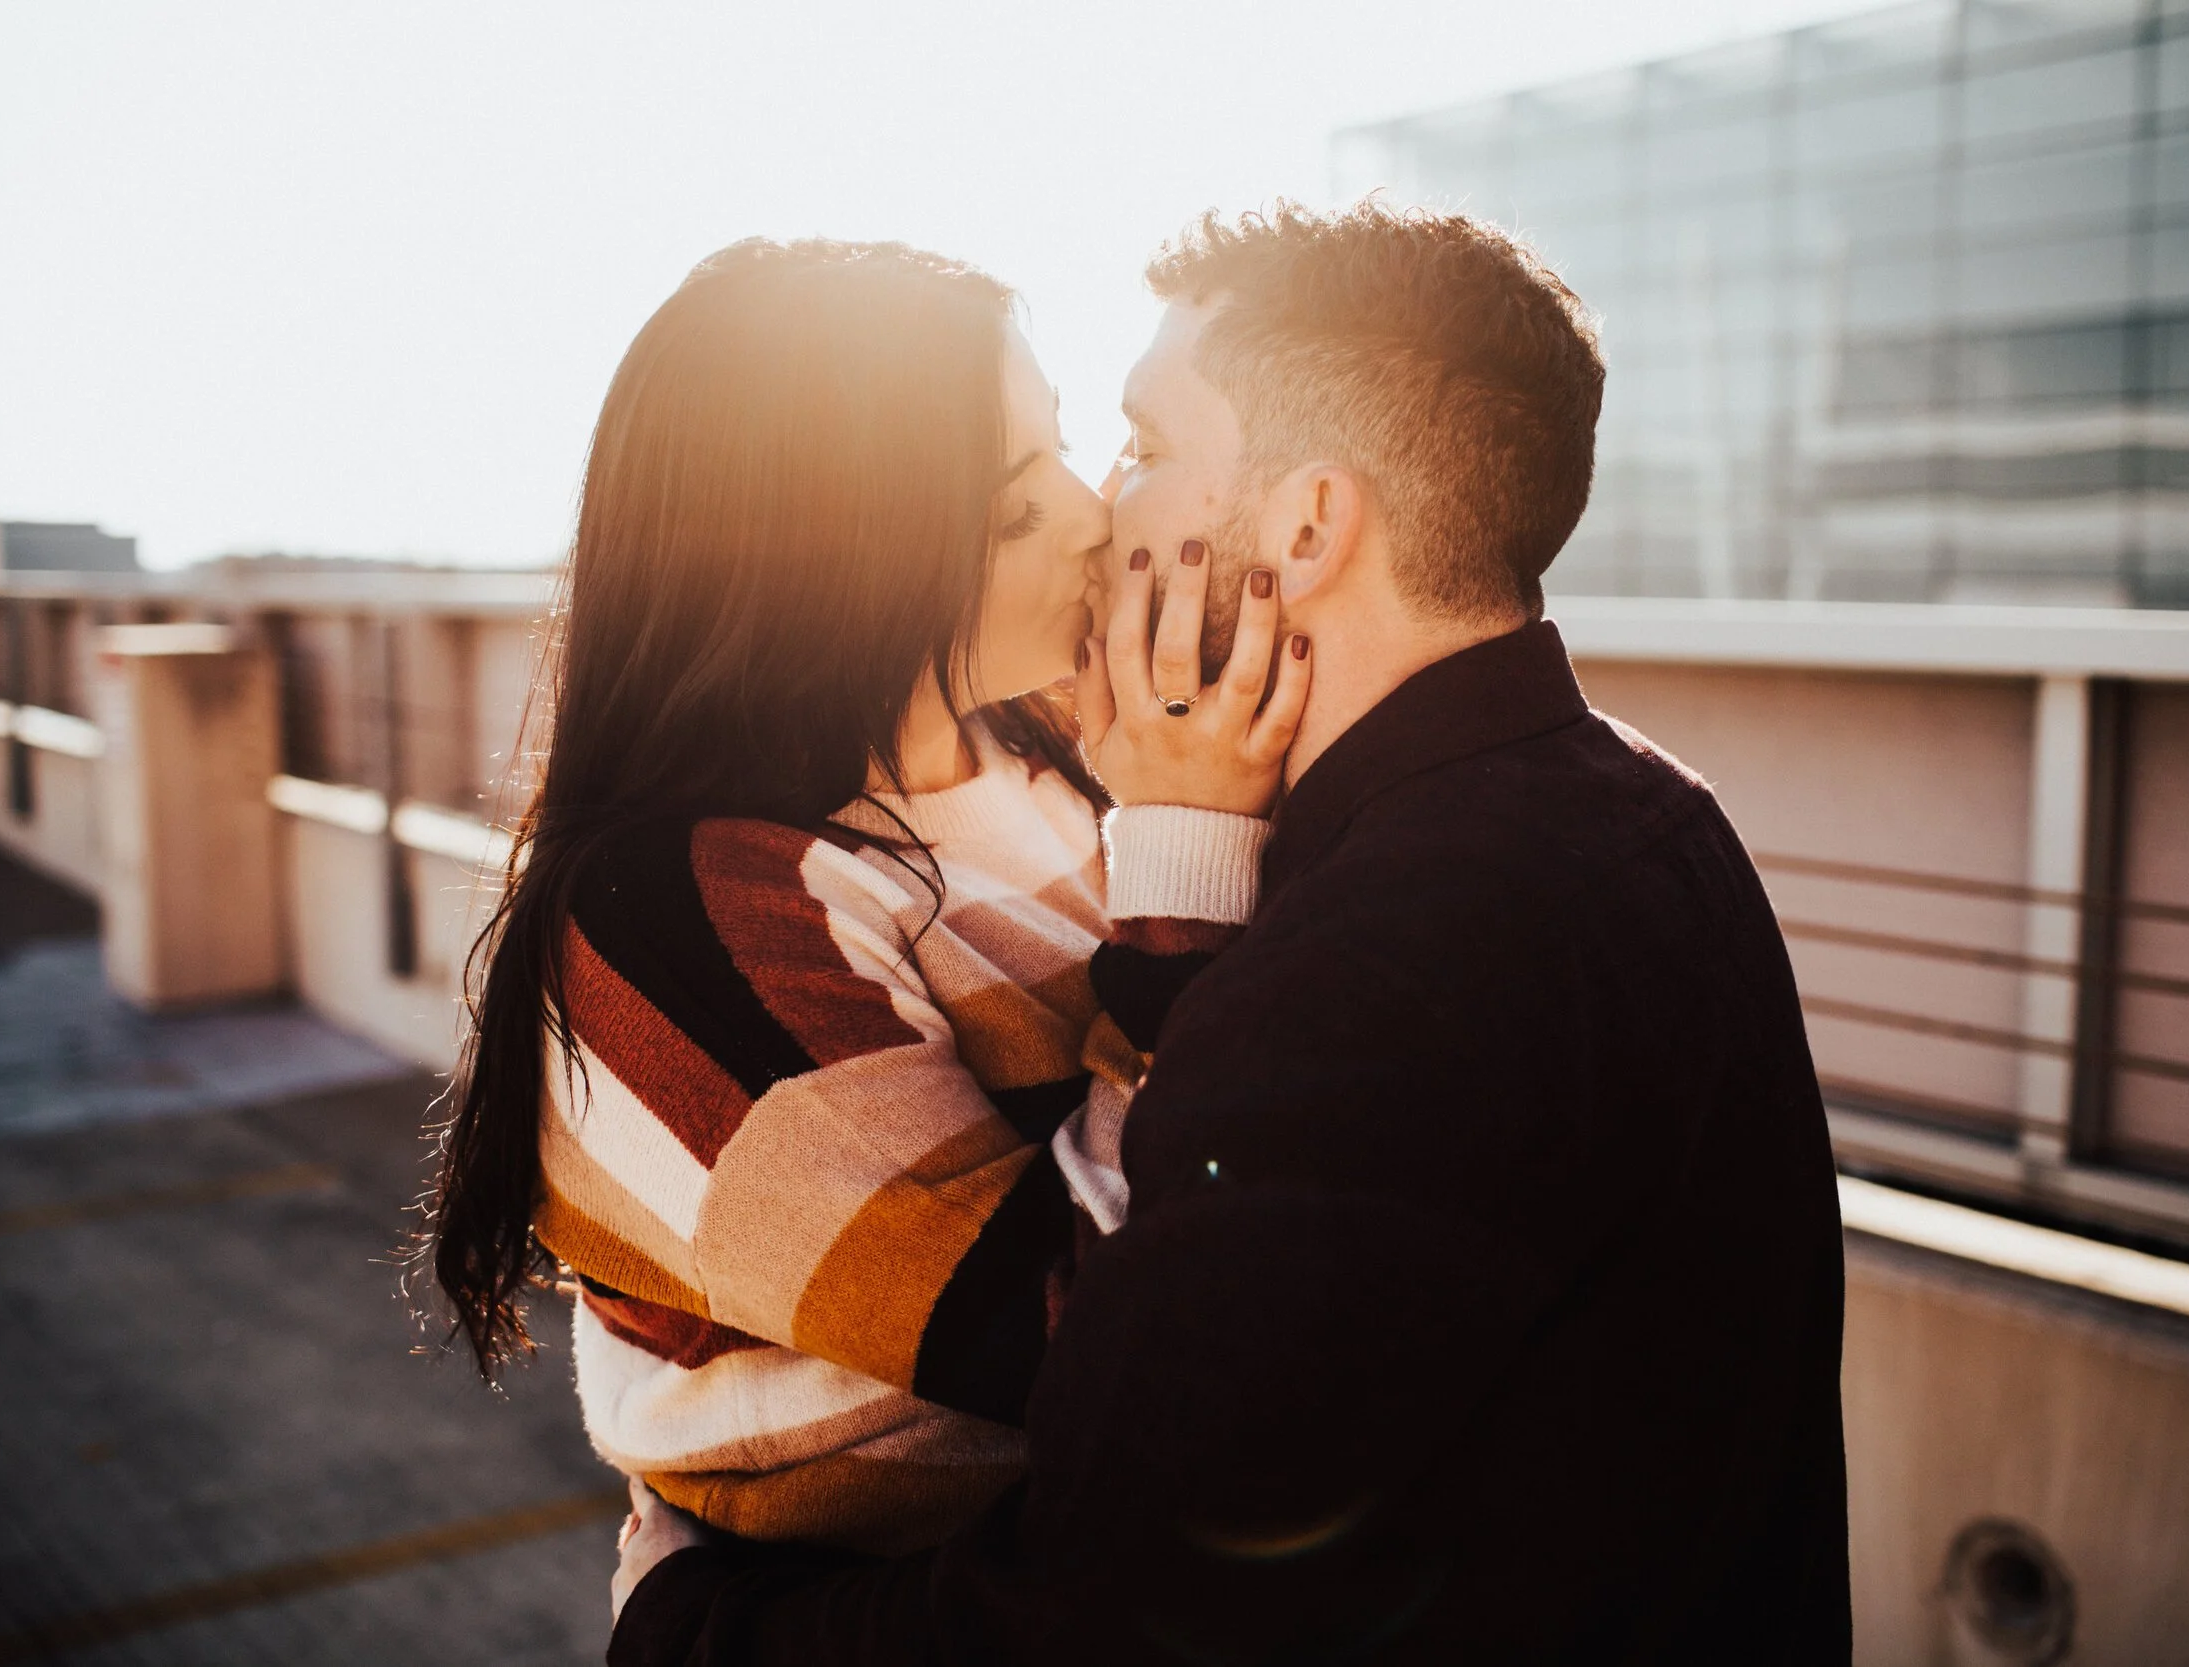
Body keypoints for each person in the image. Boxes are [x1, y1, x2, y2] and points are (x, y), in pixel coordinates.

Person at [608, 203, 1852, 1663]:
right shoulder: (1640, 810)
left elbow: (1110, 1605)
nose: (1098, 510)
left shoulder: (1380, 959)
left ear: (1306, 526)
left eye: (1139, 447)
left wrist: (691, 1630)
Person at [423, 239, 1307, 1558]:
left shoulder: (1046, 750)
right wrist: (1188, 857)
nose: (1088, 515)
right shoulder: (685, 919)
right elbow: (1095, 1359)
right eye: (1012, 508)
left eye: (1068, 449)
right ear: (833, 559)